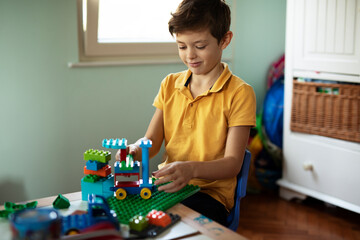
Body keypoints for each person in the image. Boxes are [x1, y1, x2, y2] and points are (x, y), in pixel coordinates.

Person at [117, 0, 256, 226]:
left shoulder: (240, 93)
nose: (190, 55)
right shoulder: (169, 84)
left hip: (209, 195)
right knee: (122, 217)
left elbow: (232, 163)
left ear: (225, 40)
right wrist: (134, 149)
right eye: (182, 46)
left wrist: (191, 169)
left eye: (199, 46)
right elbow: (151, 141)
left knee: (162, 225)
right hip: (165, 186)